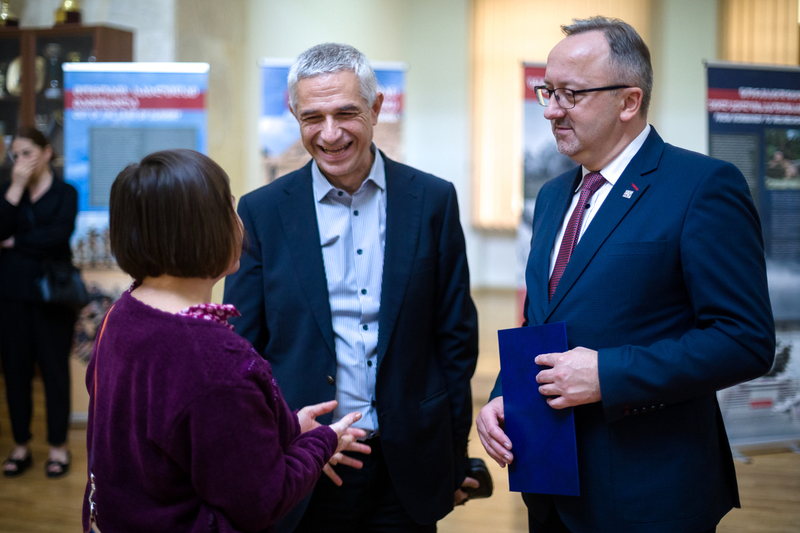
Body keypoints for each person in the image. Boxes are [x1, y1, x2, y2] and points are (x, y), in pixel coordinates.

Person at [476, 16, 775, 533]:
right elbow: (542, 321)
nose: (550, 110)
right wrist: (503, 393)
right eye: (547, 91)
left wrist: (608, 375)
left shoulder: (702, 187)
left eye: (570, 94)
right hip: (551, 484)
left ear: (629, 101)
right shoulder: (551, 197)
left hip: (651, 493)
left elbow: (744, 340)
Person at [223, 43, 480, 532]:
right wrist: (276, 447)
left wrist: (453, 454)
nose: (331, 133)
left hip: (404, 462)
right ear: (295, 115)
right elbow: (242, 352)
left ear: (376, 108)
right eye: (313, 117)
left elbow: (455, 342)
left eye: (346, 113)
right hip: (305, 465)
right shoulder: (261, 212)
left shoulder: (432, 201)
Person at [82, 149, 364, 533]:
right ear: (204, 229)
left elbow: (181, 435)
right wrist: (324, 442)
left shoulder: (123, 313)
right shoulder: (214, 359)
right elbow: (262, 499)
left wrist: (287, 428)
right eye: (230, 208)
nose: (239, 221)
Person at [0, 127, 77, 478]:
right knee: (15, 373)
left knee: (54, 372)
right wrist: (15, 188)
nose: (21, 160)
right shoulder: (7, 191)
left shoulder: (65, 192)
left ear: (47, 153)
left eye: (27, 152)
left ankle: (58, 448)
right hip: (12, 295)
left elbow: (57, 235)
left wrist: (15, 242)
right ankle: (21, 445)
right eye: (16, 154)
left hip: (53, 297)